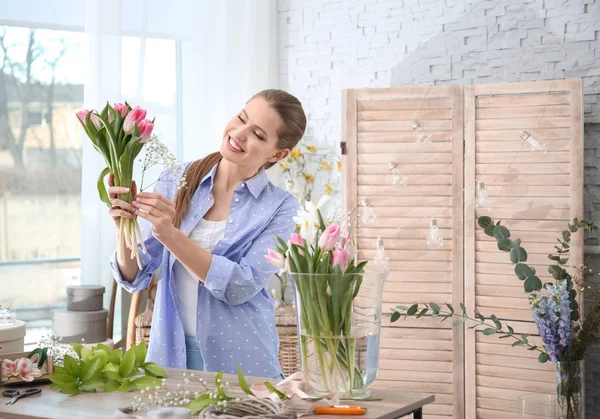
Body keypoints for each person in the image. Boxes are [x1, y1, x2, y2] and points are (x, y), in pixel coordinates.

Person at [108, 89, 306, 378]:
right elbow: (136, 275)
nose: (238, 134)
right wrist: (122, 226)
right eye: (241, 118)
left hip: (244, 362)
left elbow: (241, 285)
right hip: (170, 355)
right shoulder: (176, 178)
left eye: (258, 135)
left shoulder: (280, 206)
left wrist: (170, 234)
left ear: (278, 154)